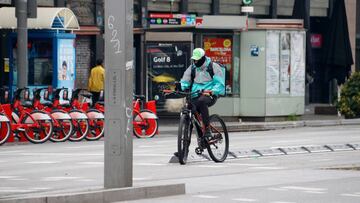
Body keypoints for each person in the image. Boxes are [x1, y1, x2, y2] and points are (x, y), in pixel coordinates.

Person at [180, 48, 225, 140]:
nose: (195, 61)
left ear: (203, 58)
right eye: (194, 59)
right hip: (195, 95)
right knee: (188, 111)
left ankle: (207, 129)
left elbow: (220, 83)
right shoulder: (192, 68)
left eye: (197, 59)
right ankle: (183, 151)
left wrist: (212, 91)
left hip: (209, 95)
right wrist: (181, 86)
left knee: (202, 101)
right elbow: (185, 80)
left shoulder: (213, 66)